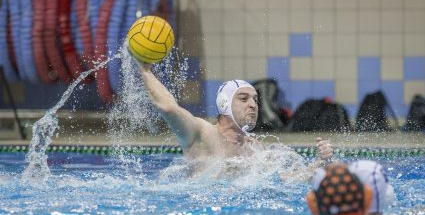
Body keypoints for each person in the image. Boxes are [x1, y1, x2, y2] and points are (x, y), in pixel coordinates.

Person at [139, 65, 334, 159]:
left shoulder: (255, 147)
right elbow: (168, 107)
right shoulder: (200, 133)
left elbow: (285, 181)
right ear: (224, 103)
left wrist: (319, 162)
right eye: (243, 99)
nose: (253, 105)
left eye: (256, 100)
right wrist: (145, 70)